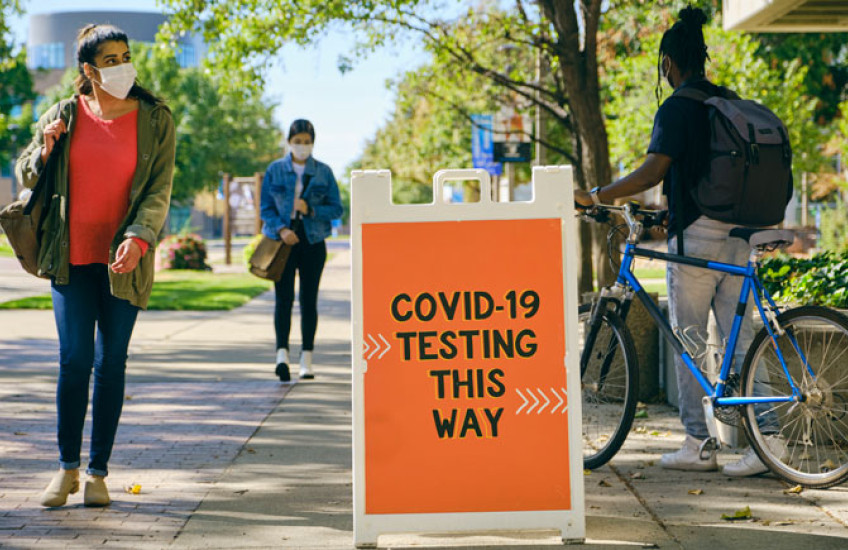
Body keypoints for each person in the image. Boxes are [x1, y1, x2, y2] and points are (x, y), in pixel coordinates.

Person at [575, 7, 778, 477]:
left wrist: (598, 195)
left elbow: (654, 171)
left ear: (667, 63)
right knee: (742, 339)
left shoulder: (676, 107)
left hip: (697, 239)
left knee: (686, 338)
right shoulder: (724, 101)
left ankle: (697, 443)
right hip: (738, 232)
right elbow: (707, 175)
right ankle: (769, 442)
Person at [16, 24, 175, 507]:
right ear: (89, 69)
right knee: (74, 360)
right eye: (111, 60)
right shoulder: (65, 113)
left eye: (125, 56)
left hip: (124, 260)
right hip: (69, 257)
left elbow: (158, 190)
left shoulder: (155, 119)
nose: (123, 66)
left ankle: (97, 473)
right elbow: (25, 171)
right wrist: (46, 149)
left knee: (110, 363)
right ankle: (66, 468)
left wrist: (139, 237)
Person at [260, 120, 343, 382]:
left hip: (313, 241)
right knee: (283, 299)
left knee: (309, 301)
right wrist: (282, 229)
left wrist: (311, 209)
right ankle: (281, 356)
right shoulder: (275, 170)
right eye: (298, 141)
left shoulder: (323, 172)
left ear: (313, 143)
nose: (302, 146)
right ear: (289, 141)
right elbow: (265, 208)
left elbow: (337, 209)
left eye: (307, 142)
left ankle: (306, 359)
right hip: (283, 242)